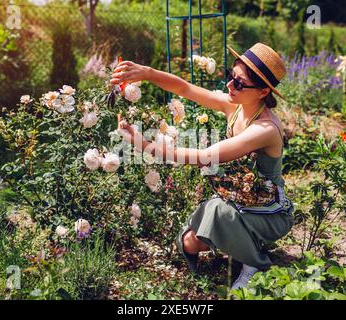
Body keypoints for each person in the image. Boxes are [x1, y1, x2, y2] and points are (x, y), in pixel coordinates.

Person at [110, 43, 294, 291]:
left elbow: (205, 156)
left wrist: (144, 145)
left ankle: (255, 264)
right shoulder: (236, 106)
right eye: (231, 76)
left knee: (220, 212)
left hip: (270, 210)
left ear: (262, 92)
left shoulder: (265, 129)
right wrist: (147, 72)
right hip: (241, 198)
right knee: (189, 242)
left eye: (239, 83)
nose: (229, 85)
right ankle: (246, 242)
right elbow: (185, 88)